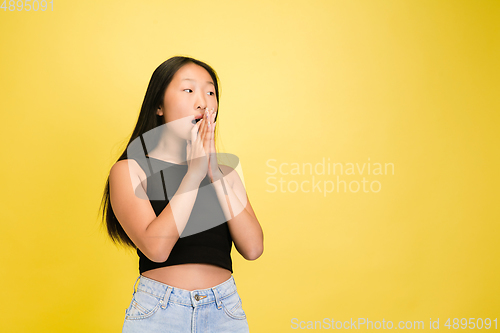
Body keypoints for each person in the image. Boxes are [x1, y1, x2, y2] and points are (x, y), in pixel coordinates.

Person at [99, 56, 264, 332]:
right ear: (159, 106)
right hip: (160, 312)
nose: (203, 102)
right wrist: (194, 174)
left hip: (224, 310)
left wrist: (212, 170)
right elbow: (157, 249)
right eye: (189, 90)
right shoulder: (130, 170)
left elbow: (253, 248)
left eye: (210, 92)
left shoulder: (226, 174)